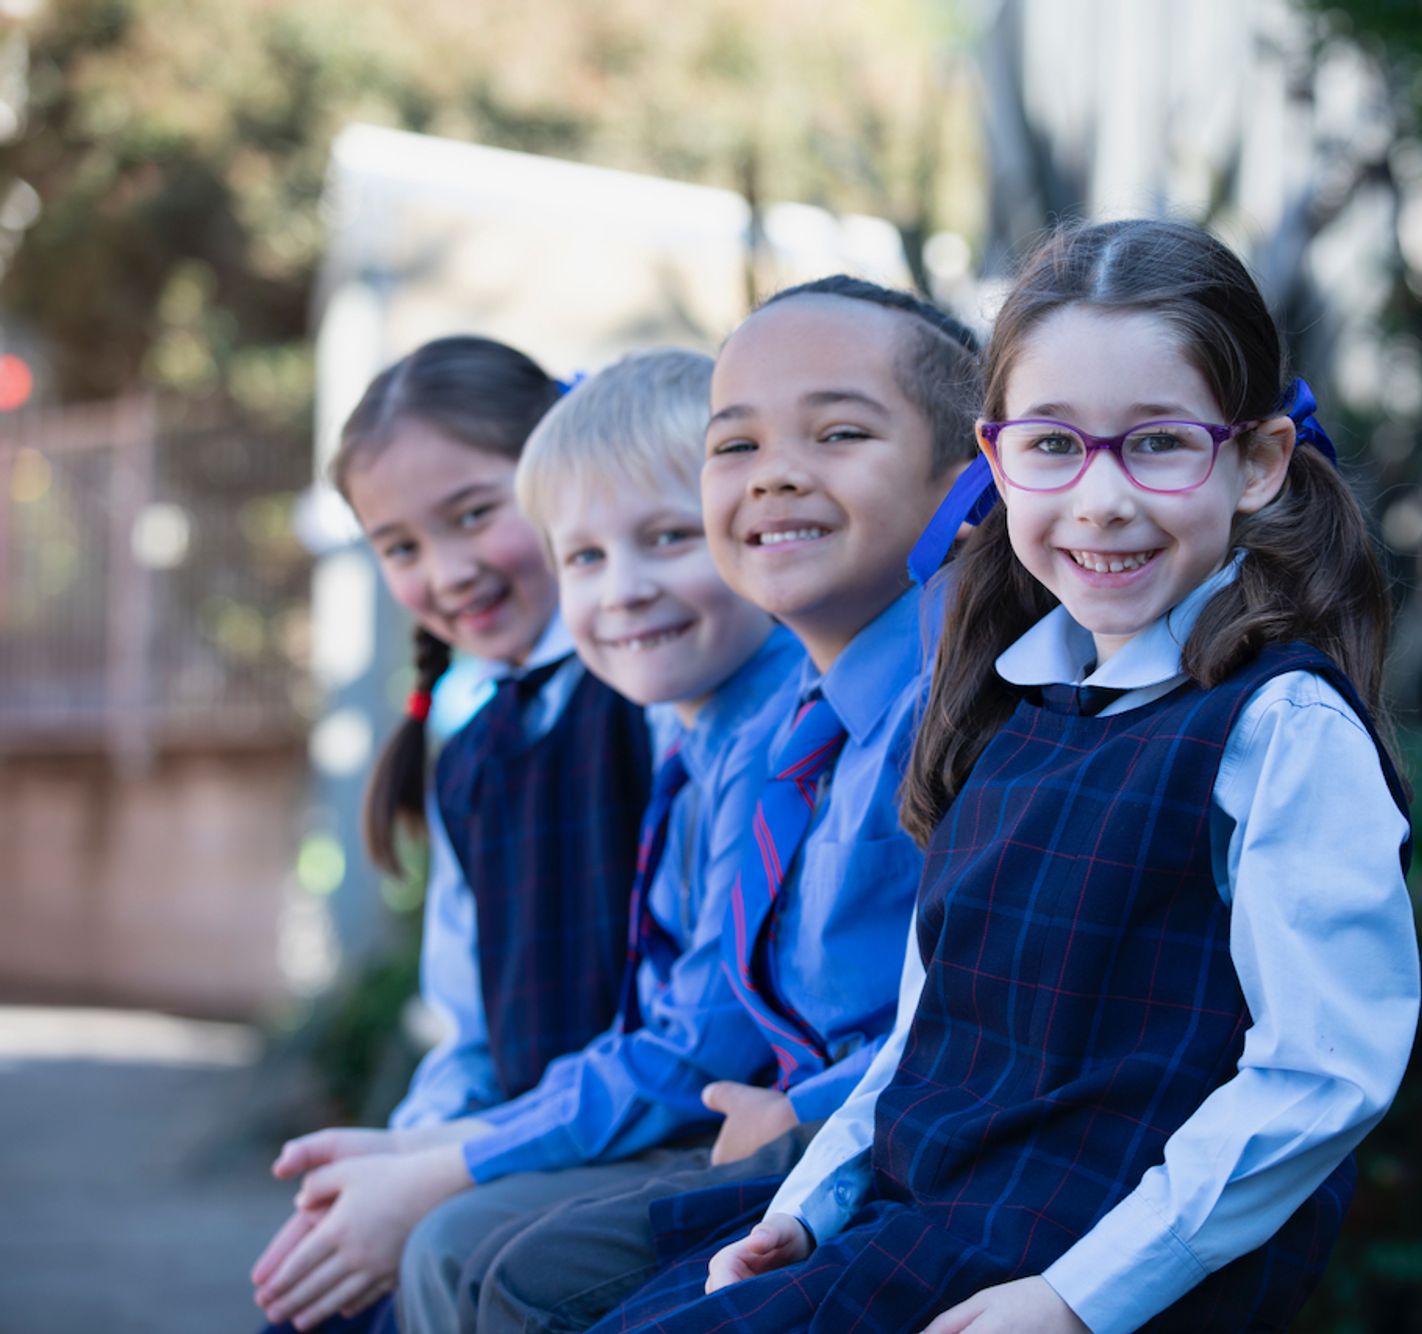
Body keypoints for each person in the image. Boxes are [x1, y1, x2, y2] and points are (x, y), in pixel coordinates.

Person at [599, 218, 1422, 1334]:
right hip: (925, 1220)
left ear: (1256, 461)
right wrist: (813, 1196)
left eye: (1159, 443)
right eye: (1051, 446)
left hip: (1082, 1270)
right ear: (994, 460)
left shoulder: (1277, 726)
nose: (1100, 498)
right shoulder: (1003, 704)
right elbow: (925, 1031)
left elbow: (1323, 1077)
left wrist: (1076, 1300)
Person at [391, 279, 982, 1334]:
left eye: (838, 431)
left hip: (863, 1138)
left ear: (963, 466)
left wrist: (798, 1112)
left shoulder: (945, 702)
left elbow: (943, 1007)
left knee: (484, 1257)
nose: (620, 590)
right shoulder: (764, 721)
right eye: (738, 446)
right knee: (459, 1256)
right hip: (783, 1125)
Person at [250, 337, 657, 1330]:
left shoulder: (657, 693)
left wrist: (440, 1173)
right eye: (399, 545)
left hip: (632, 1144)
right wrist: (395, 1163)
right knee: (315, 1297)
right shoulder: (469, 744)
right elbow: (468, 1025)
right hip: (513, 1134)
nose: (448, 570)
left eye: (475, 513)